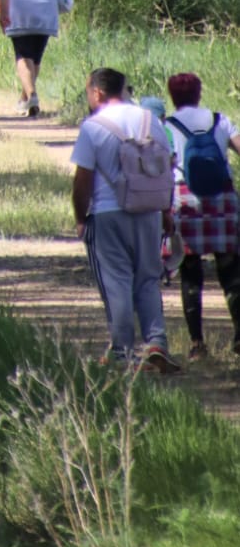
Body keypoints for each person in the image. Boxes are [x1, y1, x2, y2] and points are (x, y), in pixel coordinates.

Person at [71, 66, 181, 372]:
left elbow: (82, 180)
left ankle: (122, 351)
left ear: (97, 93)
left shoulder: (93, 127)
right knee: (148, 278)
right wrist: (166, 212)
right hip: (149, 211)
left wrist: (81, 217)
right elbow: (164, 170)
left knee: (117, 281)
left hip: (109, 212)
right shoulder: (151, 121)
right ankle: (156, 342)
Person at [165, 71, 240, 361]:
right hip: (222, 197)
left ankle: (197, 343)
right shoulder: (220, 120)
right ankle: (238, 337)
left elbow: (163, 164)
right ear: (199, 93)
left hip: (185, 198)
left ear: (173, 96)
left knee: (190, 272)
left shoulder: (167, 126)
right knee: (231, 270)